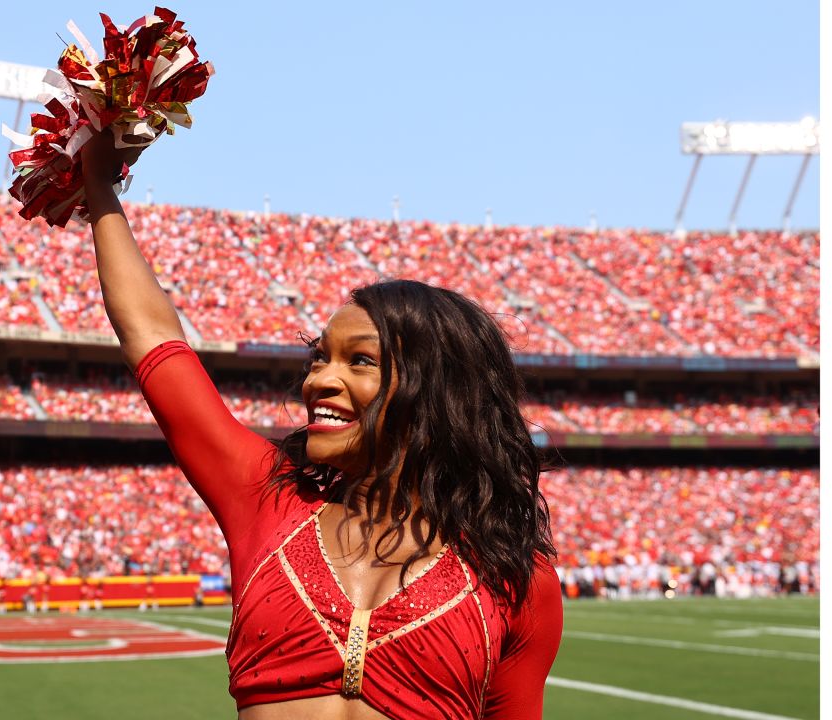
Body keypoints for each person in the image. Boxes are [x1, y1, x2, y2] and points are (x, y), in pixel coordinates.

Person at [77, 134, 562, 719]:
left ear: (438, 392)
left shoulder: (516, 576)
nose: (317, 381)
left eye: (359, 361)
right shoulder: (266, 497)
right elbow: (155, 341)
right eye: (318, 358)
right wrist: (100, 186)